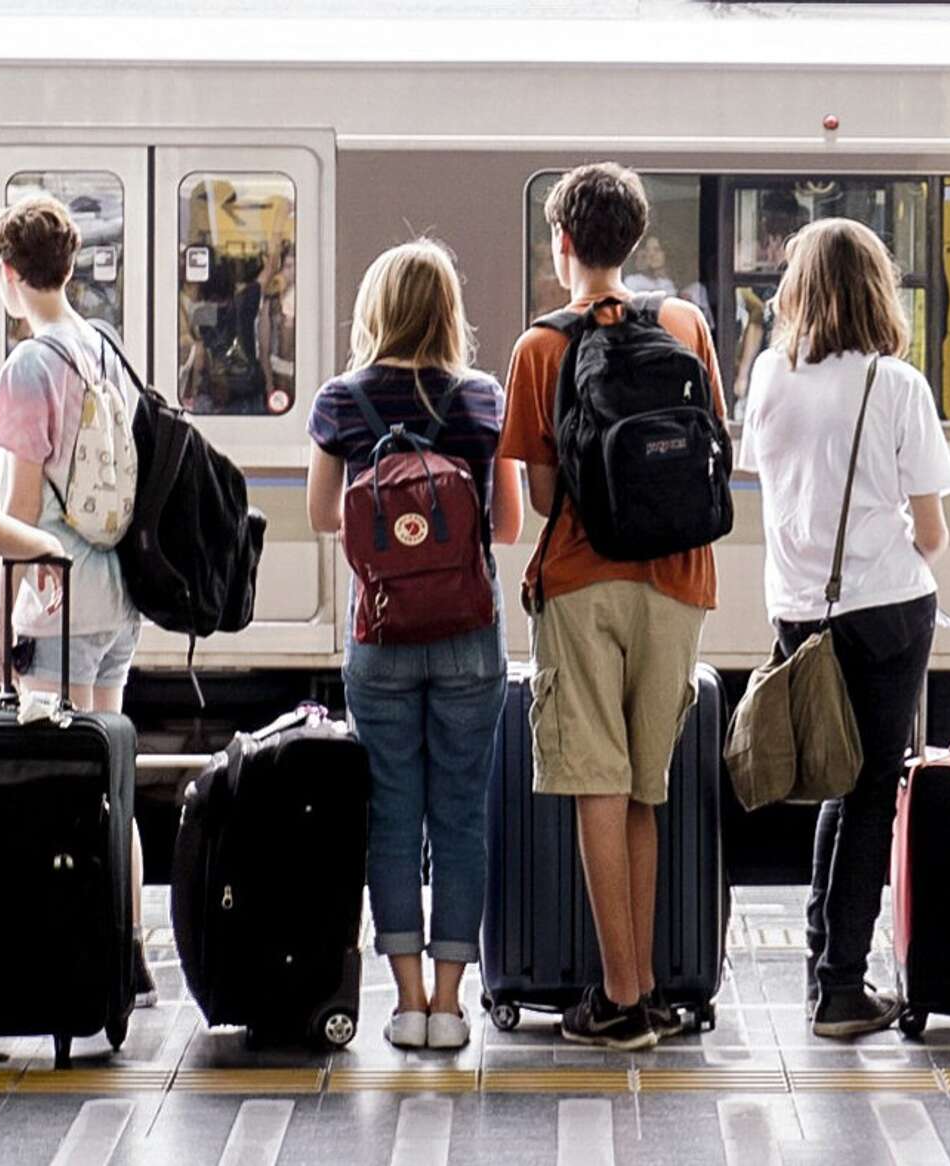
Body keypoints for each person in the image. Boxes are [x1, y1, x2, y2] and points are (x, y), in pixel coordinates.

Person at [499, 163, 727, 1050]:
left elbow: (549, 487)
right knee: (645, 785)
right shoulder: (685, 325)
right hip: (678, 581)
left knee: (596, 778)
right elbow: (712, 443)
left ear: (563, 244)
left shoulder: (538, 349)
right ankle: (644, 991)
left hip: (584, 580)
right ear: (634, 241)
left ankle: (622, 995)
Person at [737, 218, 950, 1037]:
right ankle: (840, 989)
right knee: (868, 793)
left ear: (798, 291)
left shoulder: (768, 376)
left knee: (834, 775)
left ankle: (822, 970)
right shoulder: (896, 386)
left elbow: (775, 486)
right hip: (886, 610)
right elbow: (930, 532)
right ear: (877, 288)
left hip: (797, 609)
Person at [305, 239, 522, 1051]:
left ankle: (403, 1005)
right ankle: (451, 1003)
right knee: (459, 816)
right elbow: (506, 525)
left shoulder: (339, 401)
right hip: (470, 633)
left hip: (380, 631)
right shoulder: (479, 400)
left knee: (391, 816)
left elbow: (325, 517)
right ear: (449, 313)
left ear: (374, 310)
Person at [0, 196, 156, 1007]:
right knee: (110, 775)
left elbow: (13, 515)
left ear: (10, 274)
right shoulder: (104, 346)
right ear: (71, 266)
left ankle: (77, 955)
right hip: (117, 594)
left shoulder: (29, 365)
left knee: (57, 781)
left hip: (53, 599)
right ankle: (129, 953)